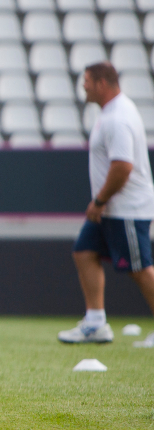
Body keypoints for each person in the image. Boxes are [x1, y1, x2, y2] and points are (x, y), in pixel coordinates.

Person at [59, 61, 154, 348]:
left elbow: (123, 166)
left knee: (140, 268)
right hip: (111, 208)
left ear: (102, 83)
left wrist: (100, 200)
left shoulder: (118, 117)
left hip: (125, 208)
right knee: (84, 251)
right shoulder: (111, 113)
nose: (84, 86)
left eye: (87, 81)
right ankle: (96, 323)